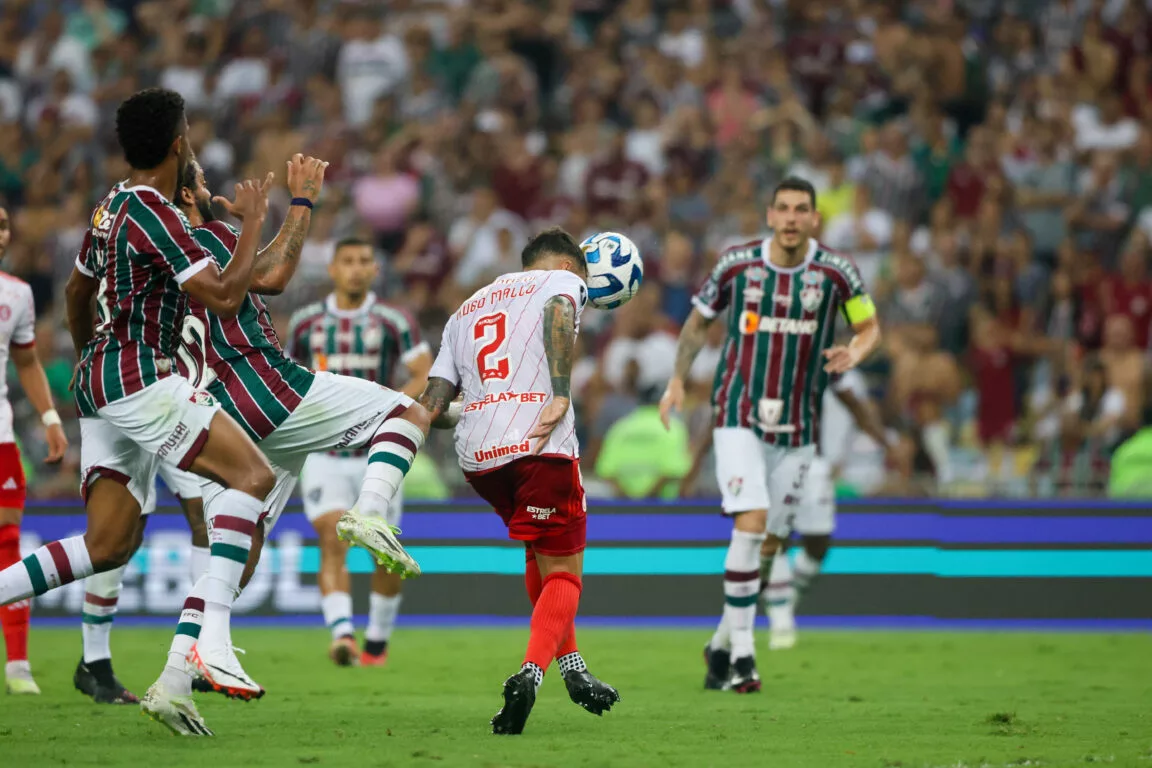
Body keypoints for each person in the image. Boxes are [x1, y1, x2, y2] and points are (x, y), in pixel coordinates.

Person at [0, 89, 278, 738]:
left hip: (101, 381)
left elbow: (75, 292)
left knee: (108, 544)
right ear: (178, 145)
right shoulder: (157, 214)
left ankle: (176, 671)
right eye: (190, 137)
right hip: (142, 378)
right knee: (255, 481)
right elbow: (225, 298)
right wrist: (255, 221)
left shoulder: (110, 206)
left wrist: (89, 358)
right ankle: (209, 648)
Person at [147, 158, 429, 726]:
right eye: (201, 181)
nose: (211, 188)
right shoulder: (205, 235)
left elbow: (255, 270)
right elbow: (271, 275)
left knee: (238, 556)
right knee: (407, 410)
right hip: (263, 384)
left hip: (216, 405)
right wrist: (299, 204)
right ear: (186, 194)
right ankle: (369, 514)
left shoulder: (161, 253)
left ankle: (173, 680)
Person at [659, 177, 882, 693]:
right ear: (769, 214)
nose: (790, 218)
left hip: (801, 428)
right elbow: (697, 324)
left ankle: (719, 642)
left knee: (770, 544)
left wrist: (857, 351)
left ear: (814, 219)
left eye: (801, 210)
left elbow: (870, 325)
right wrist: (676, 379)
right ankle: (743, 657)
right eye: (782, 208)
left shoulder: (835, 271)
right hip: (738, 413)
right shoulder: (737, 264)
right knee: (752, 522)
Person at [418, 227, 620, 735]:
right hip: (539, 443)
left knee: (540, 554)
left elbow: (435, 403)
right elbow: (559, 313)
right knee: (566, 572)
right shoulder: (564, 282)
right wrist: (557, 391)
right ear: (570, 267)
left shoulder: (466, 308)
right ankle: (530, 674)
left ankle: (573, 670)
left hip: (480, 458)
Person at [285, 237, 432, 667]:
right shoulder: (306, 322)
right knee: (332, 538)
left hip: (378, 457)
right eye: (347, 261)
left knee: (384, 552)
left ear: (374, 270)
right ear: (332, 269)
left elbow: (423, 372)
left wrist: (384, 409)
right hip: (325, 455)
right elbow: (289, 376)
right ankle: (343, 635)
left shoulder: (393, 319)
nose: (355, 268)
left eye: (364, 260)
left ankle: (377, 644)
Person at [760, 369, 891, 652]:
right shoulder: (765, 354)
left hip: (814, 461)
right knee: (776, 536)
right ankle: (781, 620)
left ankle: (787, 596)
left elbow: (853, 403)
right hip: (773, 458)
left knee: (819, 543)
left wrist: (884, 442)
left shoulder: (822, 359)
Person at [0, 205, 68, 695]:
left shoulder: (17, 294)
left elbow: (26, 364)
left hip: (1, 436)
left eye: (3, 224)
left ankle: (18, 664)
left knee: (8, 544)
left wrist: (49, 419)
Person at [73, 464, 205, 705]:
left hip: (179, 428)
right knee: (120, 536)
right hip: (132, 430)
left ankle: (204, 651)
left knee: (204, 512)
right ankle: (95, 661)